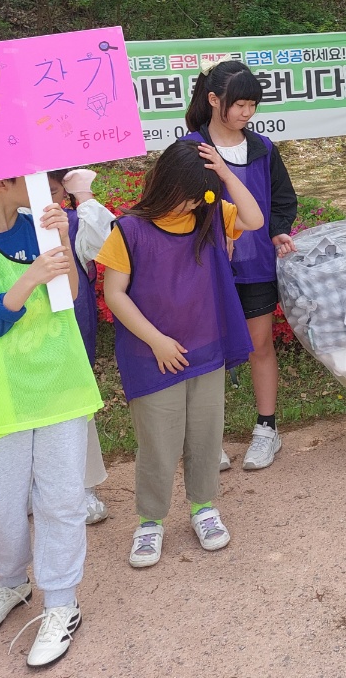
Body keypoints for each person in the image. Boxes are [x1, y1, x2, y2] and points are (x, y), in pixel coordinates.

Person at [0, 177, 102, 667]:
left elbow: (70, 296)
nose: (47, 185)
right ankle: (11, 583)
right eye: (34, 176)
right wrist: (31, 276)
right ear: (2, 181)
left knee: (62, 499)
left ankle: (60, 602)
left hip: (59, 383)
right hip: (2, 395)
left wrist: (64, 249)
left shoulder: (45, 226)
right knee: (3, 504)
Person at [97, 141, 260, 569]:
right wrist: (156, 341)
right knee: (158, 443)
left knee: (206, 437)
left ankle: (203, 507)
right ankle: (150, 520)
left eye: (199, 196)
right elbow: (115, 294)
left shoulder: (209, 216)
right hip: (152, 357)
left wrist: (224, 175)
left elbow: (254, 218)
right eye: (186, 194)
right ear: (164, 183)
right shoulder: (128, 230)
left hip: (206, 350)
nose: (191, 204)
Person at [182, 60, 298, 472]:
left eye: (253, 104)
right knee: (207, 352)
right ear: (214, 100)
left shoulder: (263, 149)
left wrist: (278, 231)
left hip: (256, 267)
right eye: (239, 104)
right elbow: (173, 208)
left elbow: (282, 200)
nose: (247, 113)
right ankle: (205, 439)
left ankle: (267, 429)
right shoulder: (191, 149)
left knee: (259, 345)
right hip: (206, 266)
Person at [46, 169, 115, 524]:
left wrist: (84, 196)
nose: (43, 199)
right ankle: (38, 486)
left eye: (54, 190)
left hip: (73, 315)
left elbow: (109, 244)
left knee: (76, 397)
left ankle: (84, 486)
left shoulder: (74, 222)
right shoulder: (2, 232)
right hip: (26, 325)